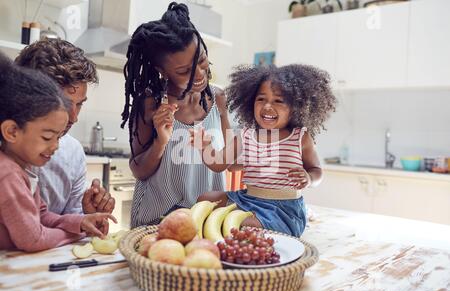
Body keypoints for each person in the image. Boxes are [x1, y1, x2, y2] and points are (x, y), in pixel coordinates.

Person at [190, 64, 336, 237]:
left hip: (282, 209)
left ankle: (226, 228)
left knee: (243, 225)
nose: (267, 106)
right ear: (251, 101)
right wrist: (205, 147)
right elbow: (219, 164)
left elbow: (316, 170)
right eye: (261, 99)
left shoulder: (300, 137)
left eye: (278, 101)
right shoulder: (245, 135)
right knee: (205, 199)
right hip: (247, 199)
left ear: (296, 107)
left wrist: (309, 178)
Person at [121, 2, 231, 227]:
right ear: (162, 71)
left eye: (201, 60)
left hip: (207, 222)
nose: (200, 74)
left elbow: (230, 160)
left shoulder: (218, 98)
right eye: (183, 71)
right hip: (156, 224)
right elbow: (139, 170)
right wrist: (160, 143)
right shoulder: (150, 103)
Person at [0, 53, 116, 252]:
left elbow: (42, 216)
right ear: (11, 132)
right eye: (47, 137)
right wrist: (77, 233)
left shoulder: (24, 165)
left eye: (57, 136)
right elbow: (33, 238)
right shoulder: (8, 173)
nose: (55, 146)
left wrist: (81, 221)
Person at [15, 39, 115, 218]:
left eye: (79, 105)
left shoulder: (72, 152)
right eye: (64, 104)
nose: (74, 118)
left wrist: (87, 217)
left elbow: (67, 222)